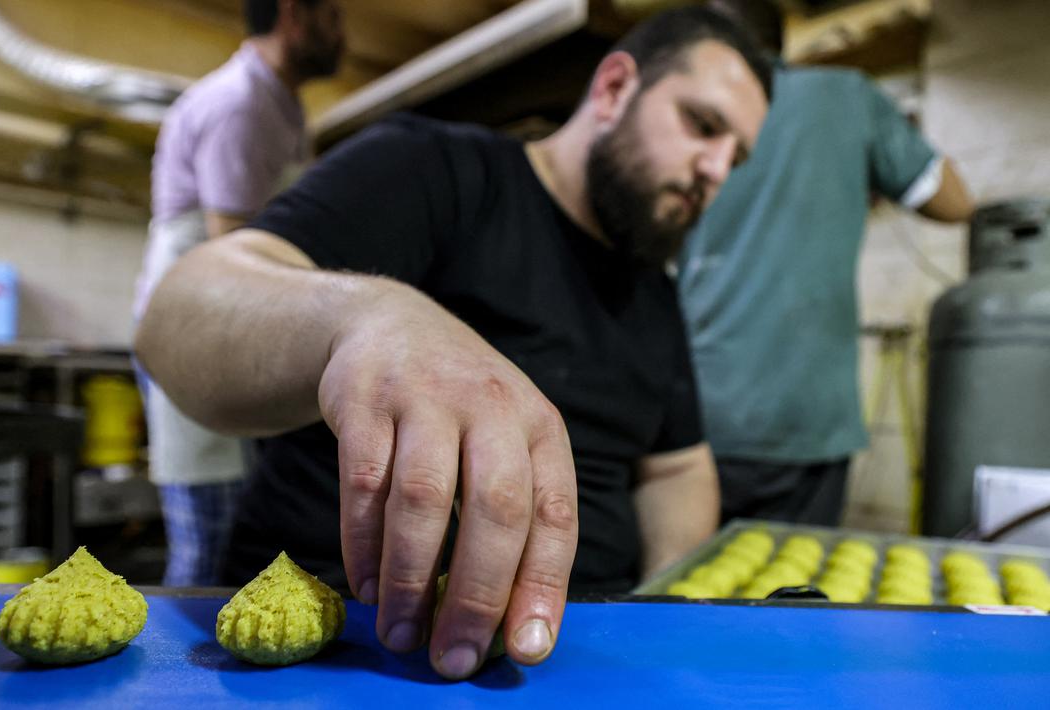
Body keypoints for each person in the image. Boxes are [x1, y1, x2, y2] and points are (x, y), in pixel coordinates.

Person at [138, 7, 769, 679]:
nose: (715, 170)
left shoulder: (652, 294)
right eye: (702, 126)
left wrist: (657, 612)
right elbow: (176, 312)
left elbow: (676, 468)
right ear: (614, 88)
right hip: (349, 653)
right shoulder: (433, 171)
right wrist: (364, 319)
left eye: (737, 156)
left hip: (580, 658)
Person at [677, 0, 974, 527]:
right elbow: (954, 202)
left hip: (694, 411)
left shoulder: (678, 118)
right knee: (792, 594)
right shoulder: (844, 97)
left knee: (682, 590)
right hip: (805, 412)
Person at [133, 0, 344, 587]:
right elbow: (236, 258)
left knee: (236, 536)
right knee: (209, 548)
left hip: (232, 330)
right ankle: (181, 679)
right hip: (197, 330)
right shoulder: (241, 103)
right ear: (293, 16)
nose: (342, 35)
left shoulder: (282, 106)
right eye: (333, 18)